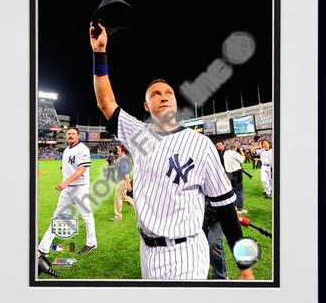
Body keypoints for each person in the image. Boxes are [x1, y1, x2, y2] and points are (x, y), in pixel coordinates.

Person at [89, 22, 254, 280]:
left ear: (175, 102)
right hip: (147, 250)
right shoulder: (138, 136)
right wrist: (99, 52)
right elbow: (105, 102)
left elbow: (225, 208)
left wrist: (245, 269)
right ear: (147, 105)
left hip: (186, 251)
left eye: (168, 92)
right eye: (156, 94)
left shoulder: (200, 144)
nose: (163, 96)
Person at [38, 127, 97, 256]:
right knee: (56, 216)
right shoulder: (66, 150)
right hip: (67, 190)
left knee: (86, 216)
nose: (70, 135)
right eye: (68, 133)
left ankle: (91, 242)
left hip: (79, 188)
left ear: (78, 136)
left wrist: (65, 182)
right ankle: (43, 248)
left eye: (73, 134)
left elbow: (82, 170)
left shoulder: (83, 149)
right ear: (66, 136)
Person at [202, 197, 227, 280]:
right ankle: (215, 269)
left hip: (220, 215)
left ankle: (221, 277)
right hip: (202, 214)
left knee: (214, 243)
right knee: (202, 243)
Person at [110, 144, 135, 221]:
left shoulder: (124, 160)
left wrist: (128, 184)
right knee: (124, 197)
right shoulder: (122, 158)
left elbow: (126, 173)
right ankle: (138, 206)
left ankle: (118, 216)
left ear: (123, 152)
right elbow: (115, 164)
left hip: (122, 181)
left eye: (119, 151)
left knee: (117, 198)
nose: (117, 152)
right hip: (121, 180)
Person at [223, 142, 247, 214]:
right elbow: (243, 159)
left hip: (229, 174)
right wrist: (242, 151)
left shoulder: (226, 153)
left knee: (232, 191)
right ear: (235, 147)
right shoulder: (235, 153)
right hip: (236, 174)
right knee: (239, 191)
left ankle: (234, 207)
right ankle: (240, 209)